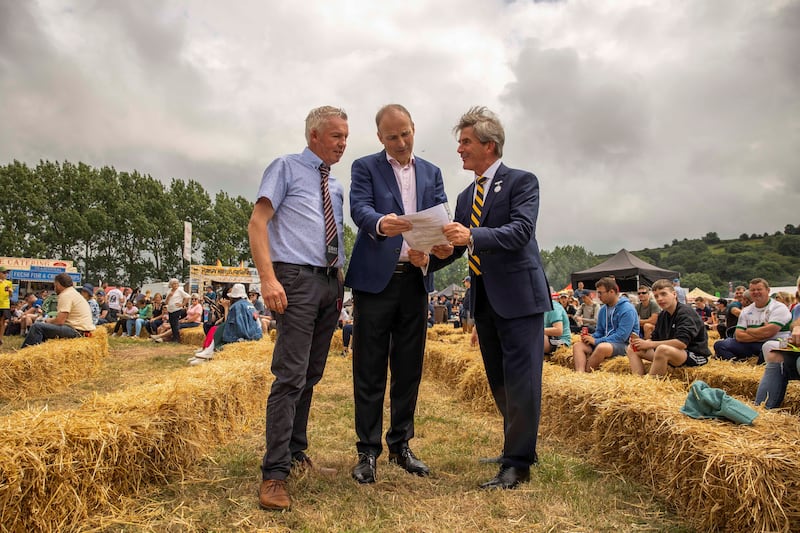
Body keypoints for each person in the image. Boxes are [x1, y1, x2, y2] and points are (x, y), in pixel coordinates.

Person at [432, 106, 551, 490]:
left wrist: (472, 237)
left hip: (519, 297)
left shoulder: (522, 182)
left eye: (465, 142)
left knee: (522, 381)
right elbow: (458, 246)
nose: (459, 150)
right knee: (499, 380)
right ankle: (515, 448)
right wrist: (430, 253)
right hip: (484, 300)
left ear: (489, 144)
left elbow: (520, 232)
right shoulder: (467, 195)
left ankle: (518, 464)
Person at [248, 105, 347, 511]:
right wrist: (268, 279)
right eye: (336, 136)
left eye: (346, 136)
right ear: (314, 137)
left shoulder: (336, 185)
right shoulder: (286, 167)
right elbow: (258, 222)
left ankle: (295, 451)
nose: (343, 143)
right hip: (296, 278)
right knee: (289, 374)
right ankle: (274, 474)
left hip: (330, 282)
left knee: (311, 372)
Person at [344, 104, 448, 484]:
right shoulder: (365, 167)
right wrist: (380, 222)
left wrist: (436, 249)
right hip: (376, 282)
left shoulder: (433, 172)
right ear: (380, 138)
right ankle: (367, 451)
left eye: (406, 133)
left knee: (409, 368)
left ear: (413, 128)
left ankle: (401, 444)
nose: (401, 142)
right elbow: (359, 209)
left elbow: (442, 219)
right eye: (393, 137)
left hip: (414, 280)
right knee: (369, 367)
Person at [627, 279, 711, 376]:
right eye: (656, 296)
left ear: (674, 294)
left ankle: (650, 386)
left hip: (694, 354)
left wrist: (649, 344)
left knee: (662, 349)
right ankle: (637, 381)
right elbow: (654, 338)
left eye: (663, 294)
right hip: (672, 353)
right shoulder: (663, 314)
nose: (659, 299)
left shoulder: (686, 313)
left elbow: (681, 343)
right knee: (632, 348)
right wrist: (641, 343)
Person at [713, 278, 792, 364]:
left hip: (775, 342)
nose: (756, 292)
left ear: (768, 290)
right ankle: (739, 366)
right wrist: (762, 332)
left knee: (768, 347)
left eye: (759, 289)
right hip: (753, 343)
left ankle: (755, 366)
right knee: (720, 345)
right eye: (752, 290)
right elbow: (739, 335)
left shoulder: (779, 307)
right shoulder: (746, 310)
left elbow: (769, 332)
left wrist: (749, 330)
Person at [572, 277, 638, 372]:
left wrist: (596, 341)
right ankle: (579, 374)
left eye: (600, 293)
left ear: (611, 292)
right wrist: (591, 337)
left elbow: (621, 337)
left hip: (625, 345)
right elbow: (600, 331)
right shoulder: (603, 309)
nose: (598, 296)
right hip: (607, 342)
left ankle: (585, 376)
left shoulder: (627, 309)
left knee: (601, 348)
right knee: (578, 345)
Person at [189, 283, 262, 364]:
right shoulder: (249, 304)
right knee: (219, 327)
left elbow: (235, 323)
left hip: (246, 335)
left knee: (221, 328)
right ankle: (208, 349)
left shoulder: (236, 306)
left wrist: (239, 338)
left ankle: (210, 350)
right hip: (256, 334)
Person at [21, 273, 95, 347]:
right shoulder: (74, 293)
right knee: (44, 328)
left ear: (58, 284)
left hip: (76, 331)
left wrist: (48, 321)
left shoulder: (65, 295)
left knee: (36, 327)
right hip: (83, 330)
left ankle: (23, 353)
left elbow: (60, 321)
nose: (54, 288)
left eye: (55, 285)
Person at [755, 303, 800, 408]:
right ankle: (762, 410)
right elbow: (793, 325)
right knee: (773, 352)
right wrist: (797, 327)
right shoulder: (798, 307)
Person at [162, 278, 190, 343]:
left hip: (177, 309)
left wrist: (182, 304)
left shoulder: (180, 290)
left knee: (175, 324)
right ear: (171, 285)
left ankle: (177, 339)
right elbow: (166, 302)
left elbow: (188, 297)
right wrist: (169, 296)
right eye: (174, 283)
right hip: (170, 309)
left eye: (176, 283)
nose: (175, 285)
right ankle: (173, 337)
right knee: (172, 324)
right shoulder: (169, 291)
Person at [0, 266, 12, 344]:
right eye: (4, 273)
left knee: (2, 322)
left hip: (5, 305)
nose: (5, 274)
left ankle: (0, 338)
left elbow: (10, 295)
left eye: (6, 273)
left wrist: (10, 292)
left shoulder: (8, 283)